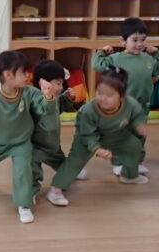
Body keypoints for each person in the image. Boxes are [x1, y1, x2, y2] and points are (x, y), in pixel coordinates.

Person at [0, 50, 54, 224]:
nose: (27, 76)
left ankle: (24, 205)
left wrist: (47, 97)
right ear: (8, 75)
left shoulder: (28, 92)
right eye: (24, 72)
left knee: (23, 171)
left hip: (21, 142)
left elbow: (44, 109)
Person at [46, 67, 149, 207]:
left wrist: (139, 124)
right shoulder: (89, 110)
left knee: (134, 146)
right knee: (74, 162)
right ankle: (56, 189)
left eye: (109, 95)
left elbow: (137, 115)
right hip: (86, 138)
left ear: (122, 96)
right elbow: (87, 134)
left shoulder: (130, 104)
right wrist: (97, 149)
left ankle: (129, 175)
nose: (103, 98)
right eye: (100, 92)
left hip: (115, 134)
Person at [92, 17, 159, 176]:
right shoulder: (116, 58)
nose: (139, 44)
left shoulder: (147, 59)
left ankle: (136, 161)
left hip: (142, 107)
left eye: (143, 40)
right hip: (123, 107)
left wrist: (157, 54)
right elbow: (97, 65)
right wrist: (101, 52)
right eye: (135, 40)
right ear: (123, 41)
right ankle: (119, 162)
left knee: (139, 135)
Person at [29, 59, 83, 197]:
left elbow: (57, 108)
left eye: (62, 83)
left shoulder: (55, 96)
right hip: (37, 146)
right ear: (43, 83)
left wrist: (67, 98)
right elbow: (44, 110)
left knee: (65, 166)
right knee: (33, 170)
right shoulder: (35, 99)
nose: (61, 87)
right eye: (58, 83)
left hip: (53, 145)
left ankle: (67, 171)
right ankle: (32, 190)